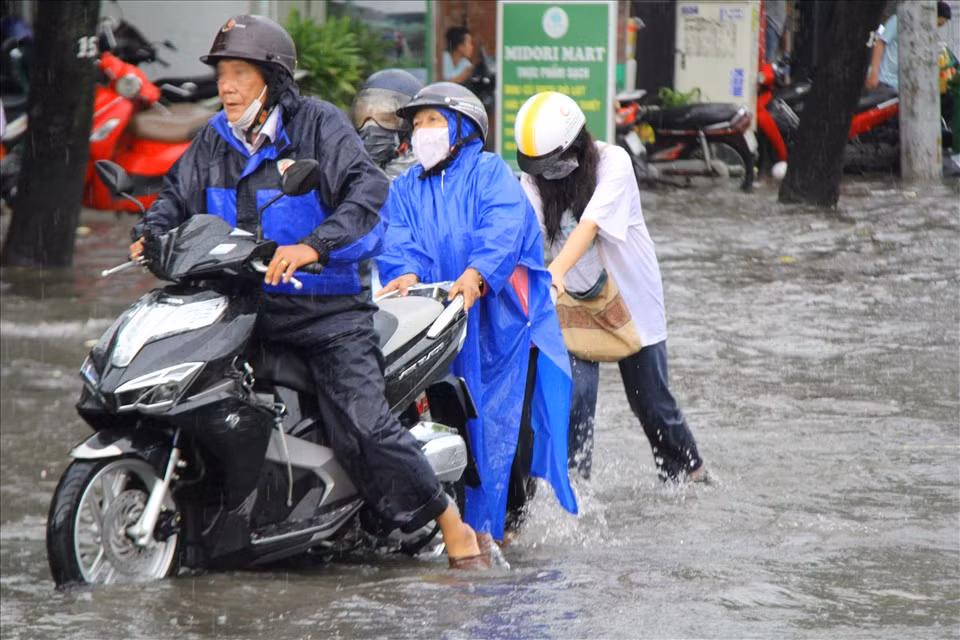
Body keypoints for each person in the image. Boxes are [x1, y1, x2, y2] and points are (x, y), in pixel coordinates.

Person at [128, 14, 489, 570]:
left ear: (271, 79)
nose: (226, 86)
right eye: (222, 72)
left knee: (364, 427)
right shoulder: (214, 138)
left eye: (239, 73)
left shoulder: (318, 125)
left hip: (327, 314)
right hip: (242, 309)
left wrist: (314, 246)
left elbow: (366, 195)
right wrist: (147, 236)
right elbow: (175, 195)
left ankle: (449, 521)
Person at [376, 82, 578, 543]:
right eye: (418, 122)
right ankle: (450, 526)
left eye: (432, 121)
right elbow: (396, 239)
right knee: (445, 426)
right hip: (436, 324)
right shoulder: (405, 187)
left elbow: (504, 227)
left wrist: (477, 273)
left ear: (462, 128)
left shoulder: (490, 173)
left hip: (498, 329)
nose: (421, 131)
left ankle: (502, 532)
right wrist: (404, 273)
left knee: (502, 431)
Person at [513, 91, 709, 484]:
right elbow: (525, 233)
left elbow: (590, 227)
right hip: (572, 300)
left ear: (575, 145)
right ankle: (573, 490)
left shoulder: (613, 162)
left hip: (632, 301)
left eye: (553, 163)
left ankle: (689, 473)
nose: (547, 173)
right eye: (540, 167)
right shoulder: (532, 180)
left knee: (651, 403)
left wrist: (555, 271)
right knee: (574, 400)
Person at [349, 68, 423, 180]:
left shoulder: (425, 180)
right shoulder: (343, 172)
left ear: (413, 124)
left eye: (386, 118)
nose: (371, 126)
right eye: (362, 115)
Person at [867, 1, 952, 90]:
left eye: (940, 26)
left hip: (903, 87)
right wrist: (874, 72)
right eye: (937, 24)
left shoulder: (925, 35)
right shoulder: (898, 21)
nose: (936, 28)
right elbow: (880, 43)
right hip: (883, 81)